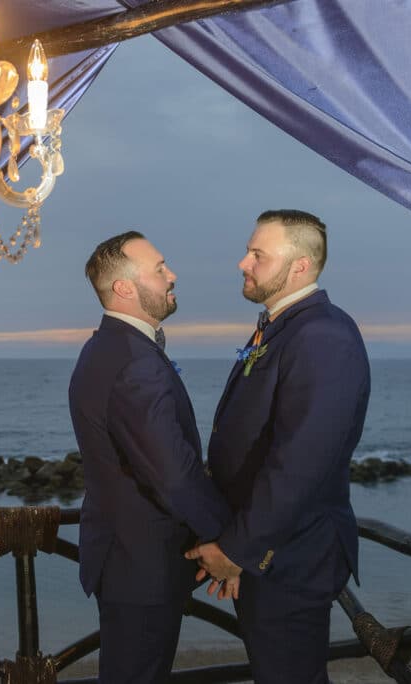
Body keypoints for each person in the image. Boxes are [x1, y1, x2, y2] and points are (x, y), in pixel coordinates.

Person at [186, 210, 370, 684]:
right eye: (249, 252)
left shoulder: (323, 336)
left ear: (301, 266)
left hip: (295, 555)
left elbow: (300, 462)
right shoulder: (280, 326)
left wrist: (238, 550)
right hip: (272, 550)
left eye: (258, 255)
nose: (242, 263)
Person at [69, 231, 231, 683]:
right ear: (124, 287)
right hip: (141, 566)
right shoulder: (133, 361)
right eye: (159, 268)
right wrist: (229, 542)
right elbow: (174, 475)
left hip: (125, 560)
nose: (172, 274)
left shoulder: (105, 348)